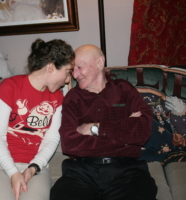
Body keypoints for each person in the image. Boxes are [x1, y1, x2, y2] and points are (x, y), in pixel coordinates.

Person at [50, 44, 158, 200]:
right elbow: (70, 144)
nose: (75, 74)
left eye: (79, 67)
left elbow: (142, 131)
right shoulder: (73, 98)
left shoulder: (124, 90)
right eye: (73, 69)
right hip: (81, 173)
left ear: (100, 63)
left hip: (127, 173)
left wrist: (95, 128)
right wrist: (125, 138)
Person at [0, 38, 75, 200]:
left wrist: (33, 168)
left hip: (35, 168)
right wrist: (13, 173)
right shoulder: (9, 87)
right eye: (68, 72)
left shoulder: (58, 98)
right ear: (51, 67)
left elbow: (51, 139)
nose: (68, 80)